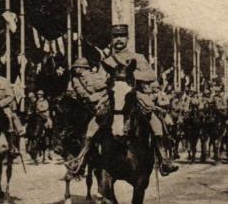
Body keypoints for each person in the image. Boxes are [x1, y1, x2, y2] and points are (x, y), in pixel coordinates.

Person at [75, 24, 178, 175]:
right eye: (115, 37)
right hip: (113, 96)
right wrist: (94, 78)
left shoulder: (138, 58)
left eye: (121, 36)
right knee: (93, 124)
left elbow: (151, 76)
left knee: (155, 121)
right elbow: (97, 84)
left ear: (127, 39)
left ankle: (164, 159)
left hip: (136, 95)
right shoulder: (107, 61)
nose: (118, 40)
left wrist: (131, 76)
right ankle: (80, 159)